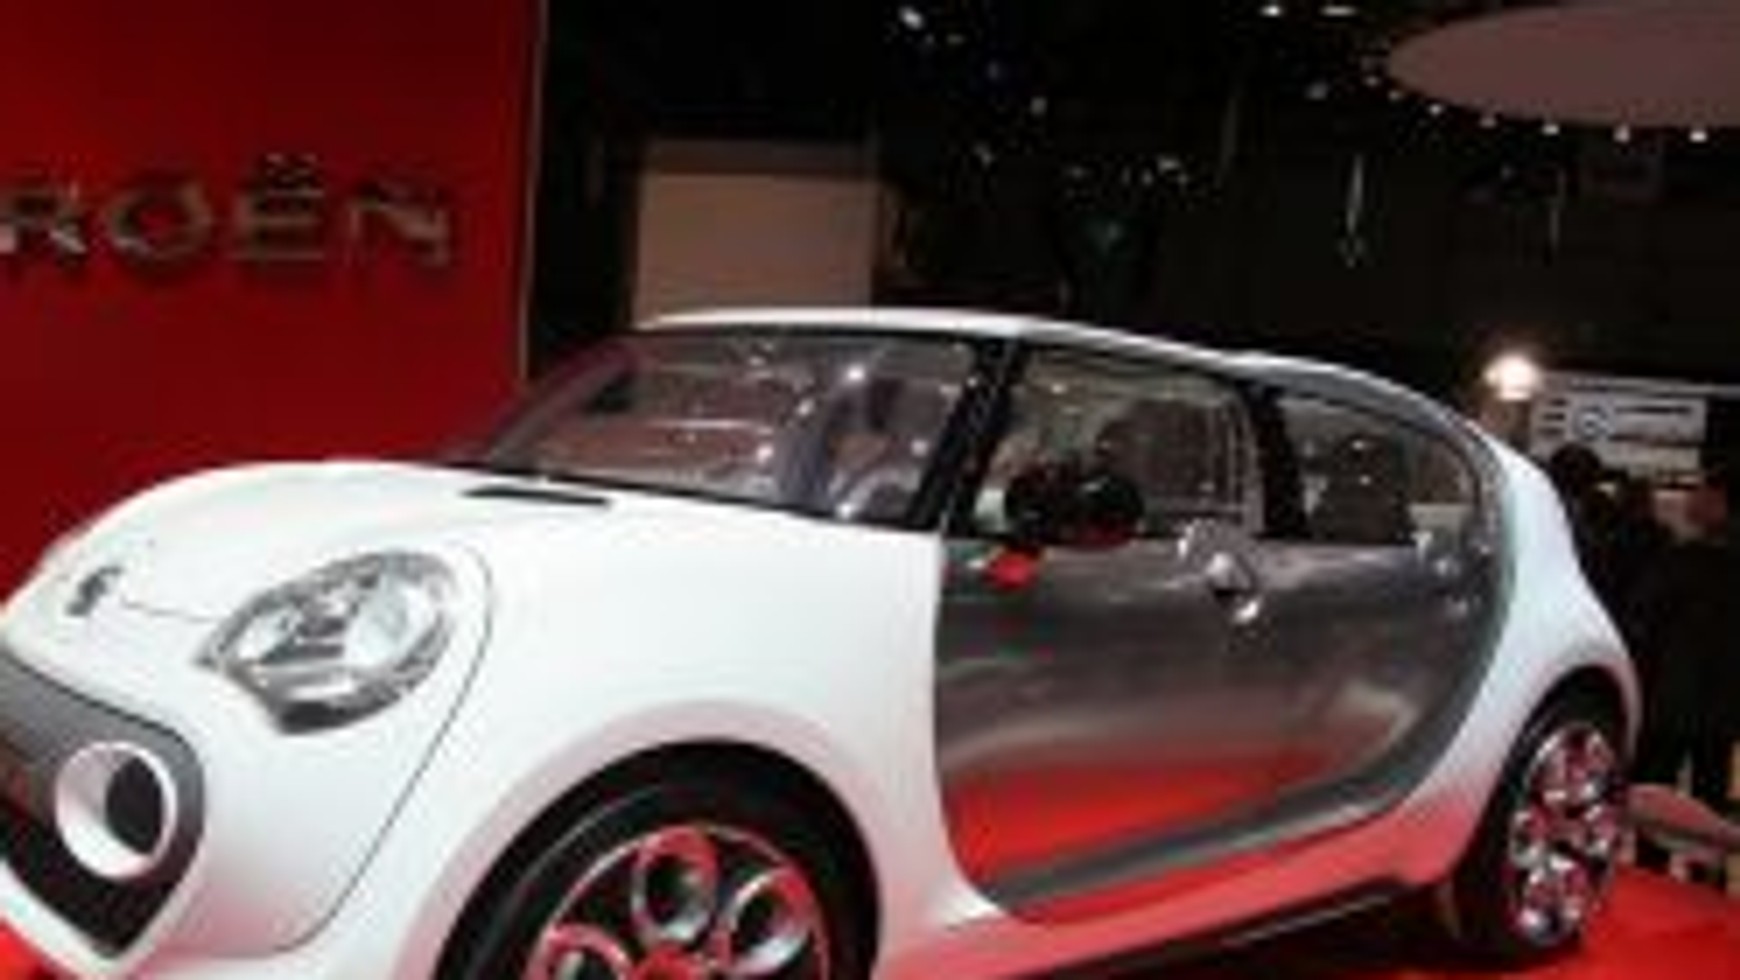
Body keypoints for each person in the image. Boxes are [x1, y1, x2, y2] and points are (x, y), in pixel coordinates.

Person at [1628, 465, 1740, 885]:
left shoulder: (1683, 560)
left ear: (1721, 500)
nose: (1692, 498)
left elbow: (1641, 621)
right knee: (1711, 794)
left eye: (1701, 490)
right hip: (1724, 704)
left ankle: (1649, 881)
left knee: (1656, 795)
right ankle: (1707, 886)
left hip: (1671, 698)